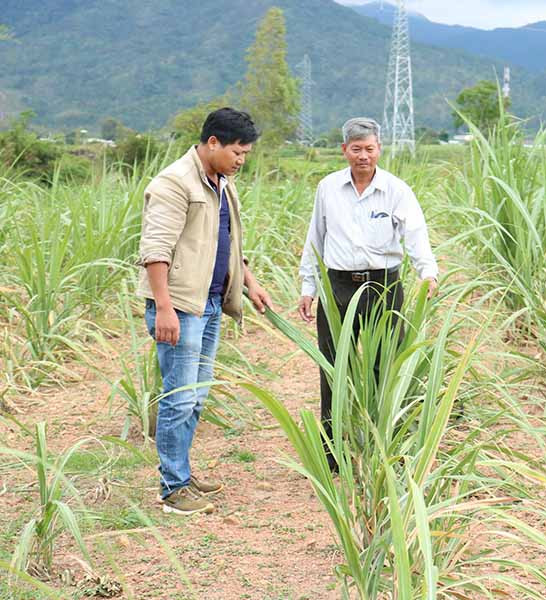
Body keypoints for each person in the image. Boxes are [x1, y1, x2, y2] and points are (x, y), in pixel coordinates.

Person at [137, 107, 272, 515]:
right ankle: (172, 489)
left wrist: (248, 282)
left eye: (246, 153)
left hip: (210, 303)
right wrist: (164, 309)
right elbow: (155, 250)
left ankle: (182, 473)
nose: (241, 160)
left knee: (195, 397)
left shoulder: (222, 182)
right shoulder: (174, 183)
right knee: (178, 398)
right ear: (212, 142)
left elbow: (226, 241)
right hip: (181, 306)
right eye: (237, 151)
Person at [298, 117, 438, 470]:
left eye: (370, 149)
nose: (363, 156)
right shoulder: (328, 188)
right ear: (344, 150)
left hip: (383, 287)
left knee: (386, 367)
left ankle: (386, 448)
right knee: (333, 368)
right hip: (339, 287)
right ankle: (333, 453)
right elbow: (315, 237)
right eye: (356, 149)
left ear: (379, 149)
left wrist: (427, 272)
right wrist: (308, 286)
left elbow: (415, 233)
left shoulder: (396, 190)